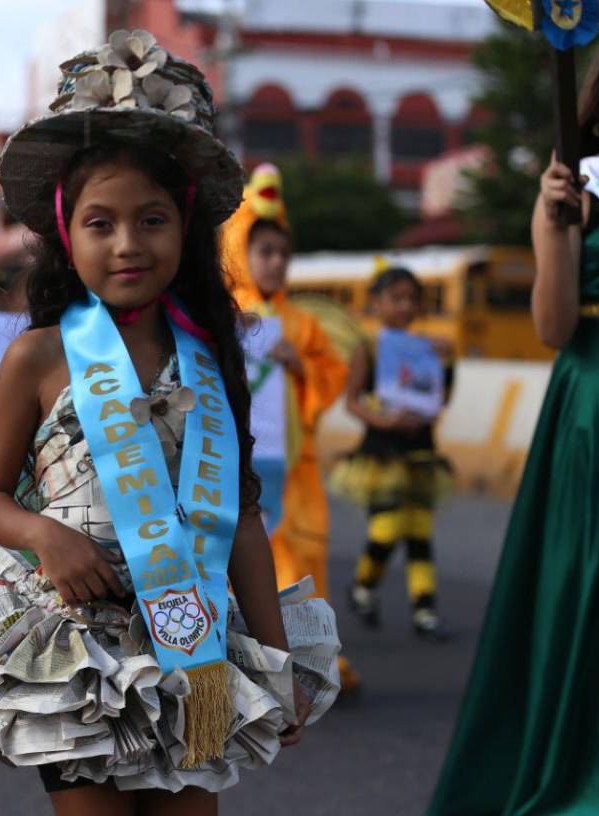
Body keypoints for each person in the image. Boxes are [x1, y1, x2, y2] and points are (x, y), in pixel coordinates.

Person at [0, 30, 340, 815]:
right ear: (67, 231)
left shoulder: (211, 357)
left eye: (152, 220)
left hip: (192, 638)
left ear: (187, 227)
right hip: (75, 645)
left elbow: (240, 517)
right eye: (102, 223)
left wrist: (273, 660)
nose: (128, 244)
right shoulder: (37, 356)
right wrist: (48, 538)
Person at [429, 29, 599, 814]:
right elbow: (552, 330)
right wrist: (552, 229)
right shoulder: (573, 191)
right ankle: (591, 764)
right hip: (598, 404)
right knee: (596, 582)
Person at [219, 164, 358, 693]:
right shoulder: (229, 317)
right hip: (244, 466)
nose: (275, 262)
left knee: (303, 560)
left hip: (295, 470)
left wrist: (298, 367)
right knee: (248, 562)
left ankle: (315, 663)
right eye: (264, 252)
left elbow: (330, 378)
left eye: (282, 253)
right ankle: (253, 662)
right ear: (242, 254)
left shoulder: (303, 324)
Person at [327, 267, 453, 640]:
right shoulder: (370, 348)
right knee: (386, 529)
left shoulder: (428, 348)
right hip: (381, 455)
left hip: (420, 453)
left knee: (419, 532)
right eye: (396, 298)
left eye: (412, 299)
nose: (405, 306)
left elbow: (441, 398)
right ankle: (362, 586)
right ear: (377, 303)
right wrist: (384, 421)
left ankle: (424, 609)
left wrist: (447, 363)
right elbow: (352, 402)